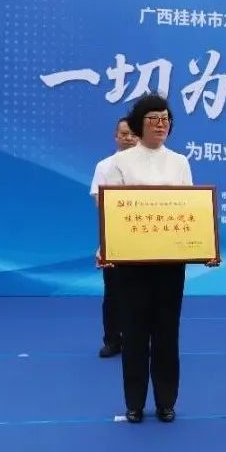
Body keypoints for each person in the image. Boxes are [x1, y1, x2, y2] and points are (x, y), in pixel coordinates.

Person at [100, 93, 217, 423]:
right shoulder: (119, 163)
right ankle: (134, 403)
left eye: (165, 119)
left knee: (167, 332)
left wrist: (204, 248)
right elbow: (113, 214)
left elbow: (190, 211)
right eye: (153, 118)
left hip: (170, 264)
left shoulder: (179, 162)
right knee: (134, 333)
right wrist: (107, 247)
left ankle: (166, 401)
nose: (161, 124)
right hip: (132, 265)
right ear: (139, 123)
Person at [90, 116, 138, 358]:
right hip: (116, 240)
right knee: (113, 293)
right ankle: (112, 340)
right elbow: (100, 202)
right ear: (116, 137)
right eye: (124, 134)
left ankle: (138, 340)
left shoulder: (149, 166)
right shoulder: (105, 166)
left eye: (133, 134)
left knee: (142, 295)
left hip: (147, 239)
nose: (129, 138)